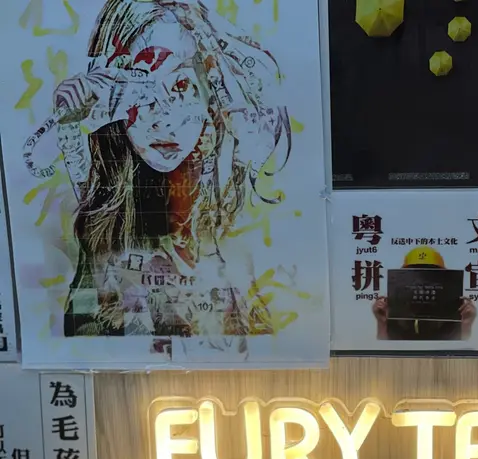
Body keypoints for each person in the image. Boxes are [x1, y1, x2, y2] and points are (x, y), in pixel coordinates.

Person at [25, 0, 291, 357]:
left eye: (181, 84)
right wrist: (71, 130)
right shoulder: (108, 216)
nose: (162, 116)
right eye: (140, 88)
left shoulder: (234, 200)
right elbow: (84, 338)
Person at [372, 247, 477, 341]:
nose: (421, 280)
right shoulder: (394, 310)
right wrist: (382, 322)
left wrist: (466, 324)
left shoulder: (454, 310)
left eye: (430, 274)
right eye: (415, 273)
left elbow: (462, 348)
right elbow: (384, 348)